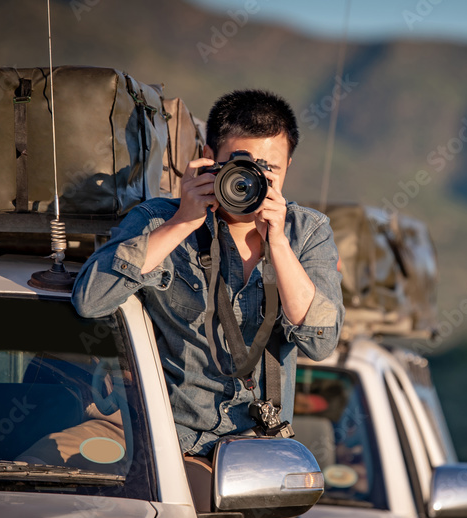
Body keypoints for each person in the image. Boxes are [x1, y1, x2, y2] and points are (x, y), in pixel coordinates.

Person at [71, 89, 344, 460]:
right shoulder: (158, 220)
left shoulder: (307, 232)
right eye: (241, 165)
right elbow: (90, 301)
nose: (254, 181)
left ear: (288, 167)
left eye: (270, 169)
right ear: (209, 158)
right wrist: (183, 222)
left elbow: (320, 341)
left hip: (251, 451)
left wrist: (277, 244)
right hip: (159, 441)